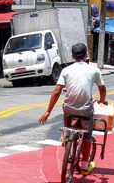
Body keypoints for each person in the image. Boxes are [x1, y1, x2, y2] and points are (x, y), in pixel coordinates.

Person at [38, 43, 107, 176]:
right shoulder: (94, 70)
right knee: (87, 135)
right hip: (86, 110)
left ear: (72, 56)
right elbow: (102, 89)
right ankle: (85, 166)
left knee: (66, 109)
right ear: (86, 55)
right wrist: (102, 101)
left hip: (69, 110)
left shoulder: (66, 70)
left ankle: (67, 137)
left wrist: (48, 111)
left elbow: (57, 90)